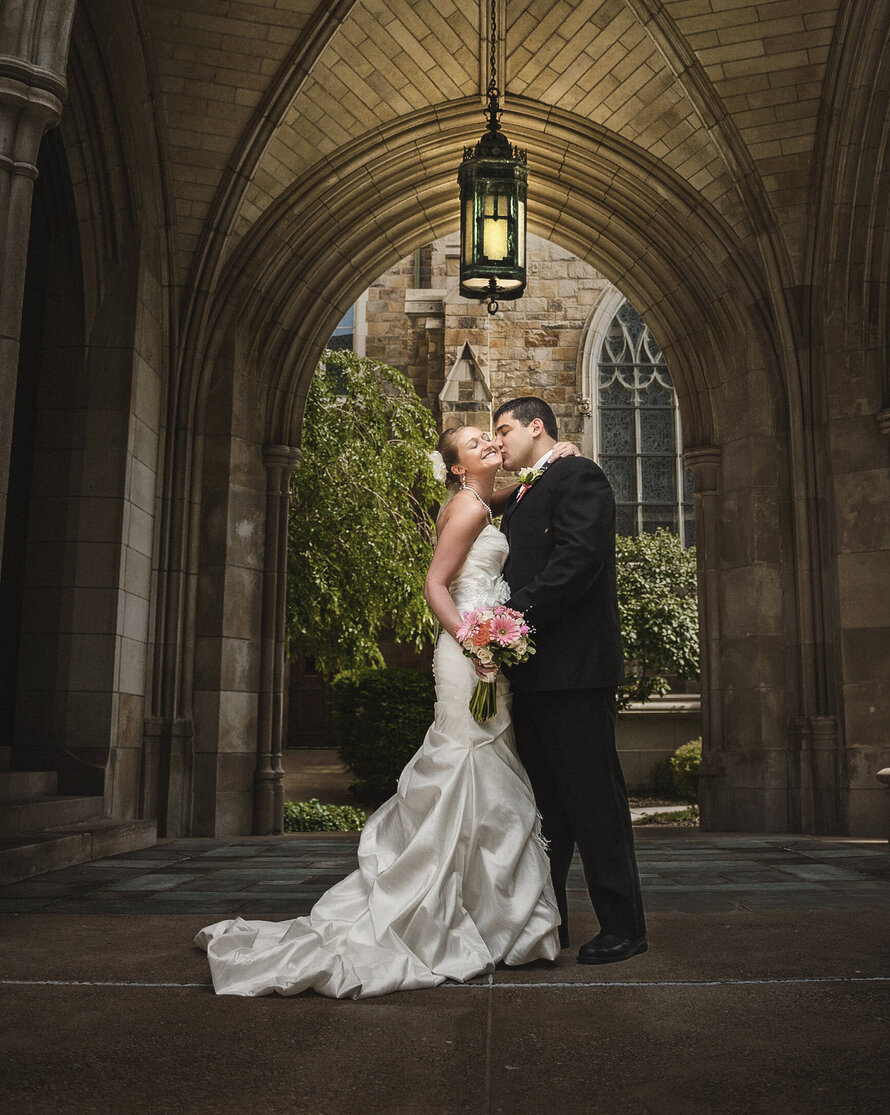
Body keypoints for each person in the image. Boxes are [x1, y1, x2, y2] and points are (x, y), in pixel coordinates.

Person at [195, 423, 560, 997]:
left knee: (481, 768)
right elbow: (435, 585)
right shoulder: (469, 509)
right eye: (474, 443)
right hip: (469, 655)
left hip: (478, 652)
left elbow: (519, 493)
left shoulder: (477, 502)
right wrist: (478, 643)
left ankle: (477, 910)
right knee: (469, 766)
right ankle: (464, 914)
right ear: (459, 467)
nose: (489, 442)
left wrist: (549, 460)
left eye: (490, 436)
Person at [495, 394, 647, 964]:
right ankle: (547, 921)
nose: (499, 440)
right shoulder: (530, 487)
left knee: (593, 803)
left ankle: (624, 926)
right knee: (546, 810)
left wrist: (513, 618)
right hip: (534, 673)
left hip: (576, 672)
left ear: (538, 427)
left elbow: (577, 561)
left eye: (505, 429)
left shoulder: (579, 475)